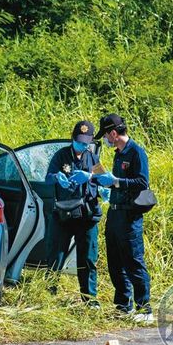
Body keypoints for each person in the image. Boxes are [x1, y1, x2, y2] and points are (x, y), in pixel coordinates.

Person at [93, 113, 153, 323]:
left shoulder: (136, 152)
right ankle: (123, 305)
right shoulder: (118, 153)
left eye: (107, 136)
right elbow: (117, 182)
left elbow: (142, 182)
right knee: (115, 262)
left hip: (130, 215)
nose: (106, 141)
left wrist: (117, 181)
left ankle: (144, 308)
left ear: (114, 133)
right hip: (115, 213)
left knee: (134, 261)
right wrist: (105, 184)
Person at [45, 120, 103, 307]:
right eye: (79, 142)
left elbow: (105, 180)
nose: (82, 146)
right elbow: (47, 178)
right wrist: (57, 178)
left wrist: (91, 176)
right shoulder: (61, 156)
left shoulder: (93, 159)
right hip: (63, 214)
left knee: (87, 258)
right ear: (73, 138)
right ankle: (48, 294)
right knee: (56, 255)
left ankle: (89, 299)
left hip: (86, 215)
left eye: (86, 143)